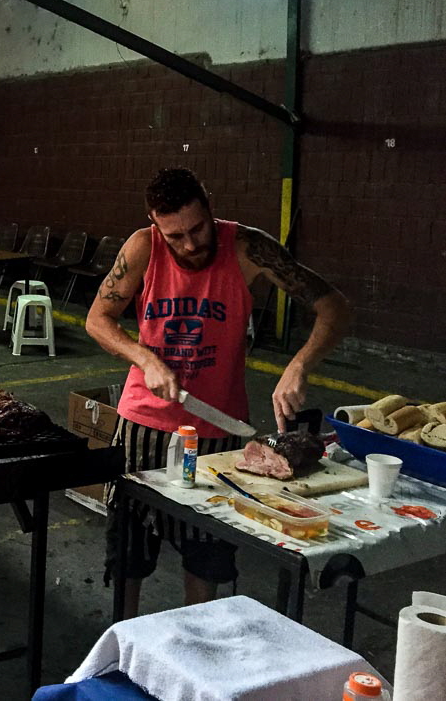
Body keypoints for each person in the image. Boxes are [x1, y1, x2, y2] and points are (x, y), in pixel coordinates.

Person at [86, 167, 351, 617]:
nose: (189, 244)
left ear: (210, 207)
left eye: (197, 229)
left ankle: (199, 647)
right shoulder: (143, 247)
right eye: (175, 236)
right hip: (143, 425)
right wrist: (146, 359)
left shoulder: (247, 247)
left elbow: (334, 306)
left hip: (216, 433)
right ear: (156, 225)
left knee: (207, 553)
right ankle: (119, 649)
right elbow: (98, 319)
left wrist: (298, 366)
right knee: (128, 553)